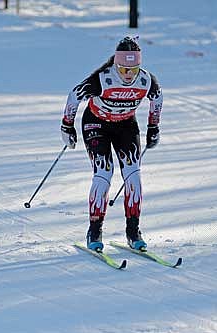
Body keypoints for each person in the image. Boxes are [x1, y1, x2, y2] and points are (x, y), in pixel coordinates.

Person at [60, 36, 163, 251]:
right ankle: (95, 231)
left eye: (133, 70)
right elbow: (74, 96)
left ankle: (133, 232)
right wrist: (67, 126)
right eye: (123, 69)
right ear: (116, 64)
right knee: (104, 173)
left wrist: (153, 128)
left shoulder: (146, 81)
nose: (128, 75)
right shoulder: (103, 79)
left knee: (133, 175)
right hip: (96, 124)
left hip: (125, 126)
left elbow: (158, 99)